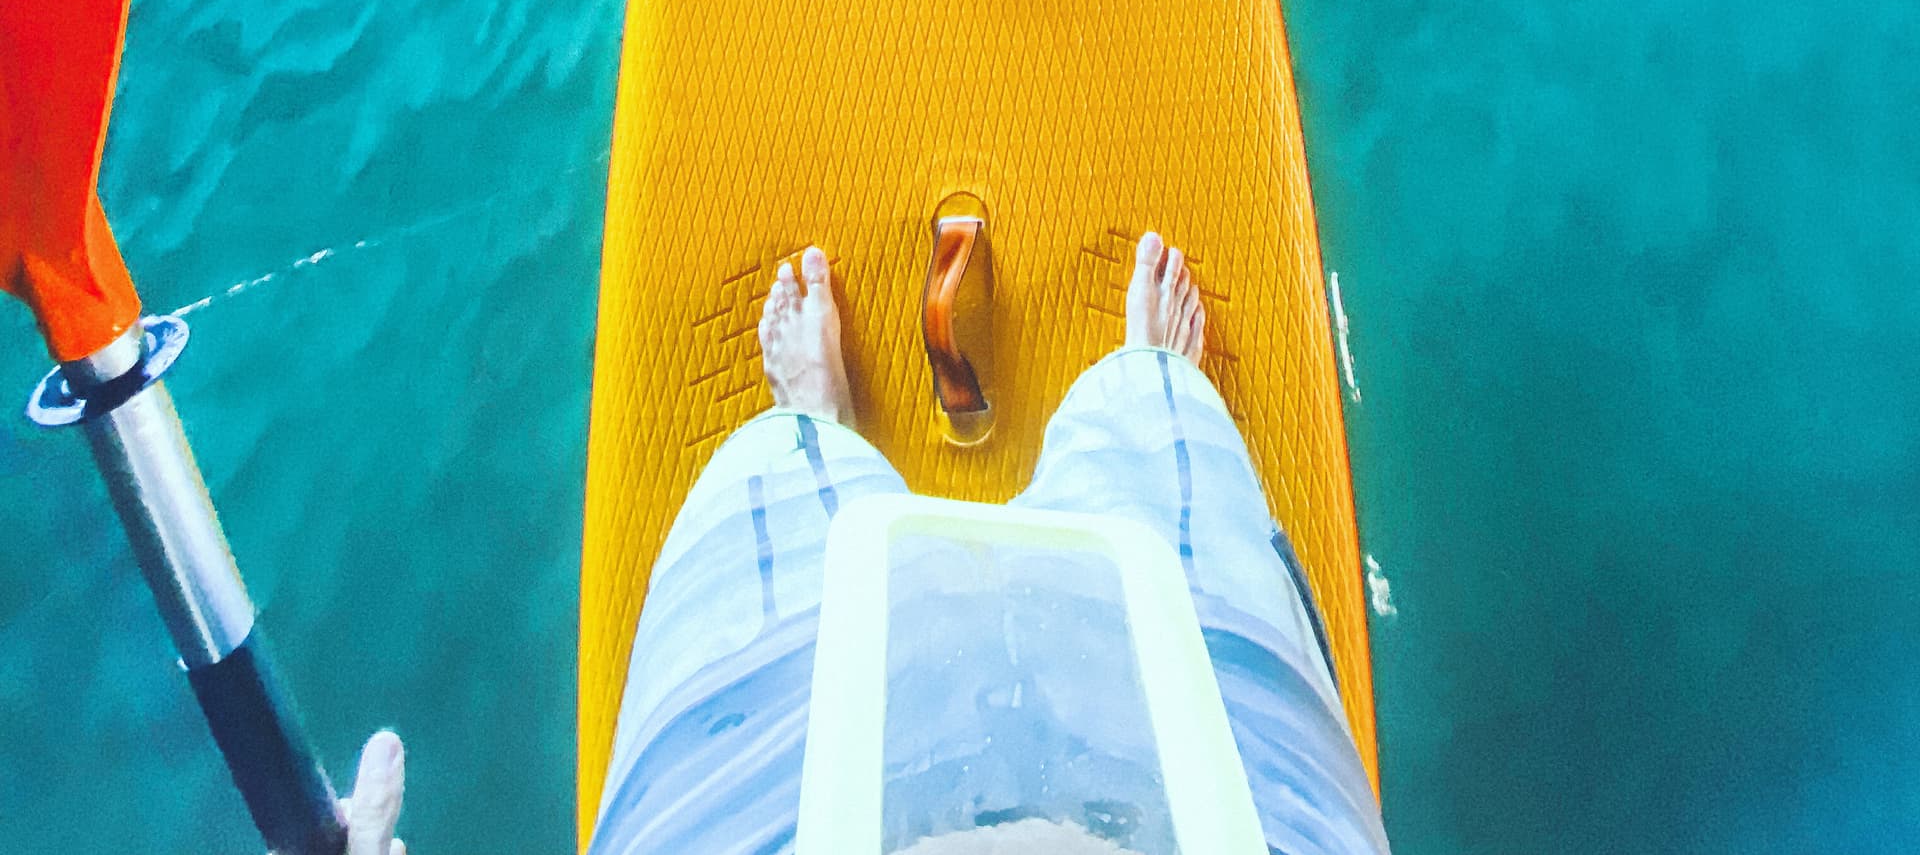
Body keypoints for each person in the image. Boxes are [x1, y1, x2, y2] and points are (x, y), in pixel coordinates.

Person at [339, 231, 1389, 854]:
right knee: (1160, 454)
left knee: (770, 492)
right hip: (1228, 806)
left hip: (773, 807)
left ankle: (816, 436)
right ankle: (1146, 399)